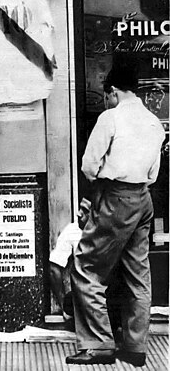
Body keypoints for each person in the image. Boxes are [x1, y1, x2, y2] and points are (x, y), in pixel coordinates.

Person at [66, 65, 165, 367]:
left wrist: (99, 189)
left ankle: (99, 344)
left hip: (114, 196)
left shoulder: (110, 117)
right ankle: (136, 346)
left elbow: (88, 165)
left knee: (86, 266)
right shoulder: (153, 122)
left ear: (112, 92)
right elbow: (153, 174)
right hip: (143, 198)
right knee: (138, 272)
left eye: (107, 95)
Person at [49, 198, 91, 329]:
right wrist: (63, 306)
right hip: (84, 298)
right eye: (80, 208)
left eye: (85, 210)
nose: (78, 214)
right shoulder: (73, 230)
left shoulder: (111, 231)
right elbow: (53, 268)